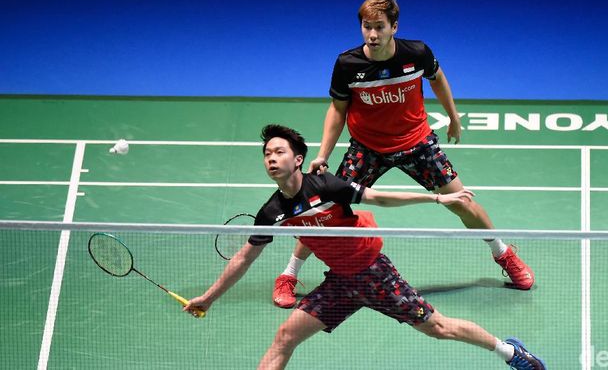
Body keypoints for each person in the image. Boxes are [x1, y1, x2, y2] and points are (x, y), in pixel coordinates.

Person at [185, 124, 546, 370]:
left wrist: (435, 199)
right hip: (340, 283)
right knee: (285, 336)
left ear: (298, 159)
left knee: (439, 328)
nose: (271, 159)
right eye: (267, 154)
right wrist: (209, 297)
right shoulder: (273, 211)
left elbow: (378, 198)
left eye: (279, 152)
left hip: (375, 275)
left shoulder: (325, 186)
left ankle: (512, 353)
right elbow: (245, 256)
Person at [272, 0, 534, 309]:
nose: (372, 34)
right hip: (367, 147)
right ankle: (288, 275)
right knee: (326, 210)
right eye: (367, 27)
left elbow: (438, 79)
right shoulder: (347, 64)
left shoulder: (417, 53)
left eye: (379, 27)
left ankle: (503, 253)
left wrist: (453, 117)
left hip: (416, 143)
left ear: (394, 27)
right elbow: (338, 109)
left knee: (462, 201)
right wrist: (323, 155)